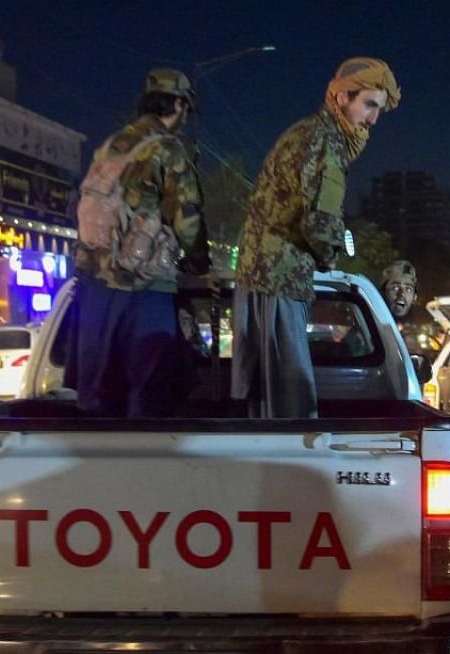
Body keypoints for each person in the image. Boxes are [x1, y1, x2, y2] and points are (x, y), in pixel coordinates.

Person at [232, 58, 400, 418]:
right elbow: (320, 223)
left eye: (378, 110)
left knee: (267, 401)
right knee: (291, 402)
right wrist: (331, 258)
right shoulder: (326, 141)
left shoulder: (308, 132)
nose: (372, 120)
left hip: (263, 277)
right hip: (279, 279)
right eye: (368, 105)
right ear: (341, 98)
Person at [65, 68, 210, 418]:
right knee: (149, 395)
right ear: (177, 103)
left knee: (99, 396)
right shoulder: (168, 149)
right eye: (185, 108)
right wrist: (199, 263)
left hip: (96, 290)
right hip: (145, 290)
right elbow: (186, 215)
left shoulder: (109, 147)